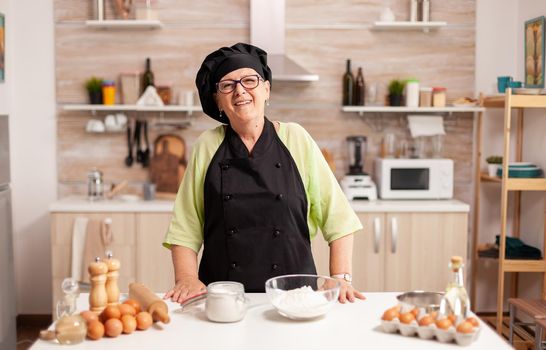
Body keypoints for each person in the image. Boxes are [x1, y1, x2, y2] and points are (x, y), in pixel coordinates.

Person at [163, 43, 364, 304]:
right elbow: (184, 228)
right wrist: (186, 278)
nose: (240, 91)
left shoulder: (296, 138)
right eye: (227, 85)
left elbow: (339, 219)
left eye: (249, 80)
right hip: (224, 300)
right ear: (218, 101)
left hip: (295, 298)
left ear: (266, 89)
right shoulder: (207, 145)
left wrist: (341, 277)